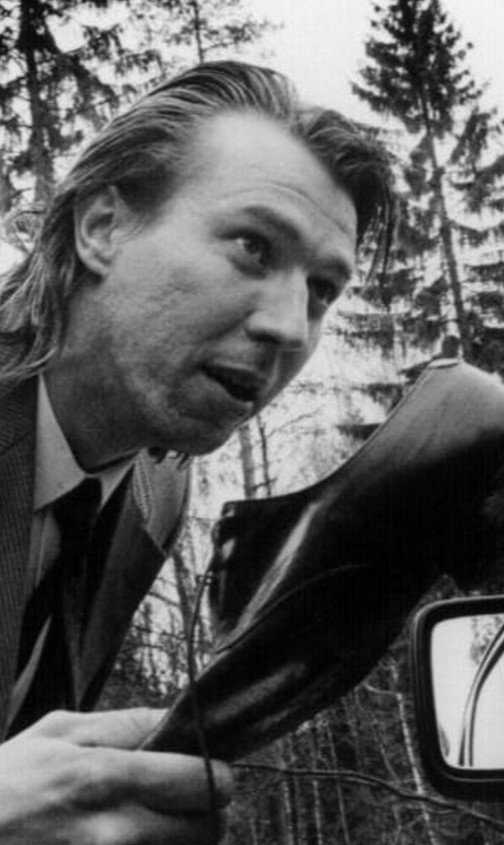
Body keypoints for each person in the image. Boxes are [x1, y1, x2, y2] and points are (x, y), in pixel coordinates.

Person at [0, 60, 395, 843]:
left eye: (321, 290)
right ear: (102, 227)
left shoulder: (157, 496)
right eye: (252, 245)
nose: (289, 326)